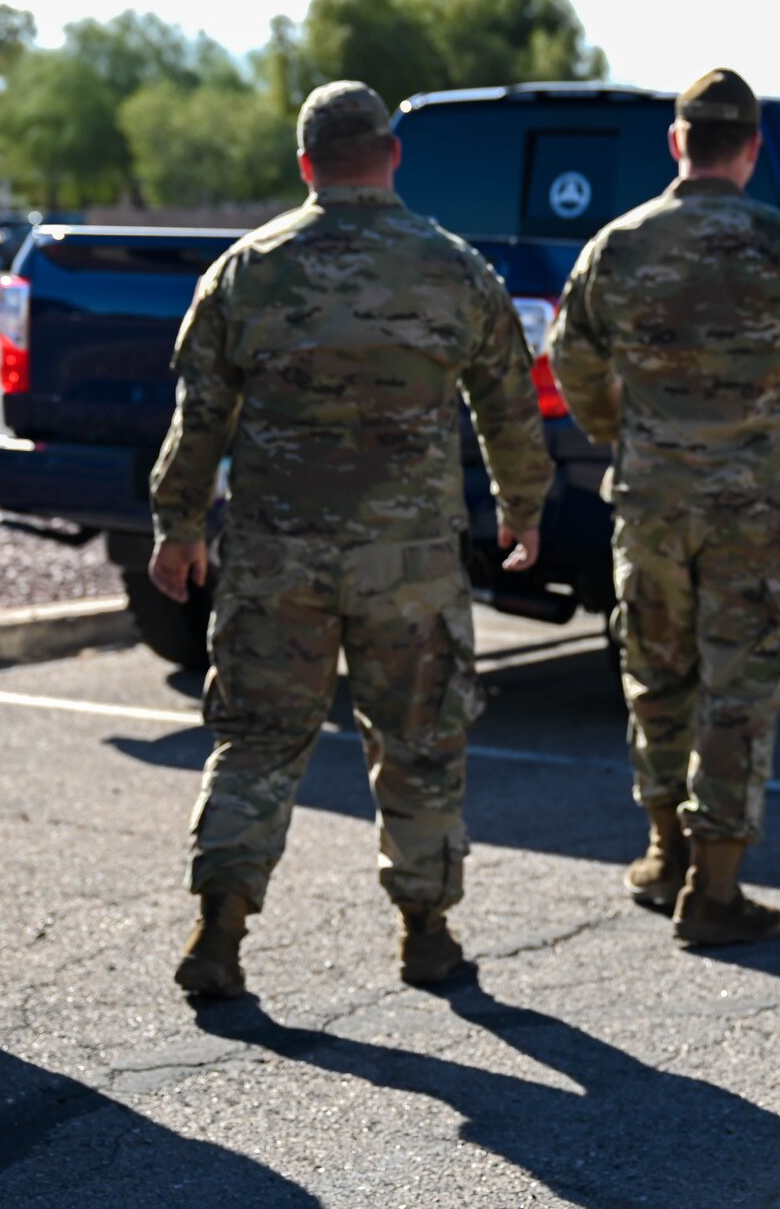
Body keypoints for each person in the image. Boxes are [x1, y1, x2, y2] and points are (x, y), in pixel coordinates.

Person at [151, 81, 554, 997]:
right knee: (418, 739)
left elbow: (198, 418)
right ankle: (427, 934)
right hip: (406, 563)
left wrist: (178, 527)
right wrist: (522, 508)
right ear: (392, 155)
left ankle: (218, 930)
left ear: (305, 165)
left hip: (273, 555)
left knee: (256, 738)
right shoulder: (452, 268)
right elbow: (508, 404)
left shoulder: (247, 270)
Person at [550, 68, 780, 946]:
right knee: (740, 687)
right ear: (752, 151)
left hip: (649, 505)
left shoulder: (615, 247)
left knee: (656, 671)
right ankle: (715, 891)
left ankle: (664, 854)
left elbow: (572, 365)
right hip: (753, 514)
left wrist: (625, 433)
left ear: (678, 144)